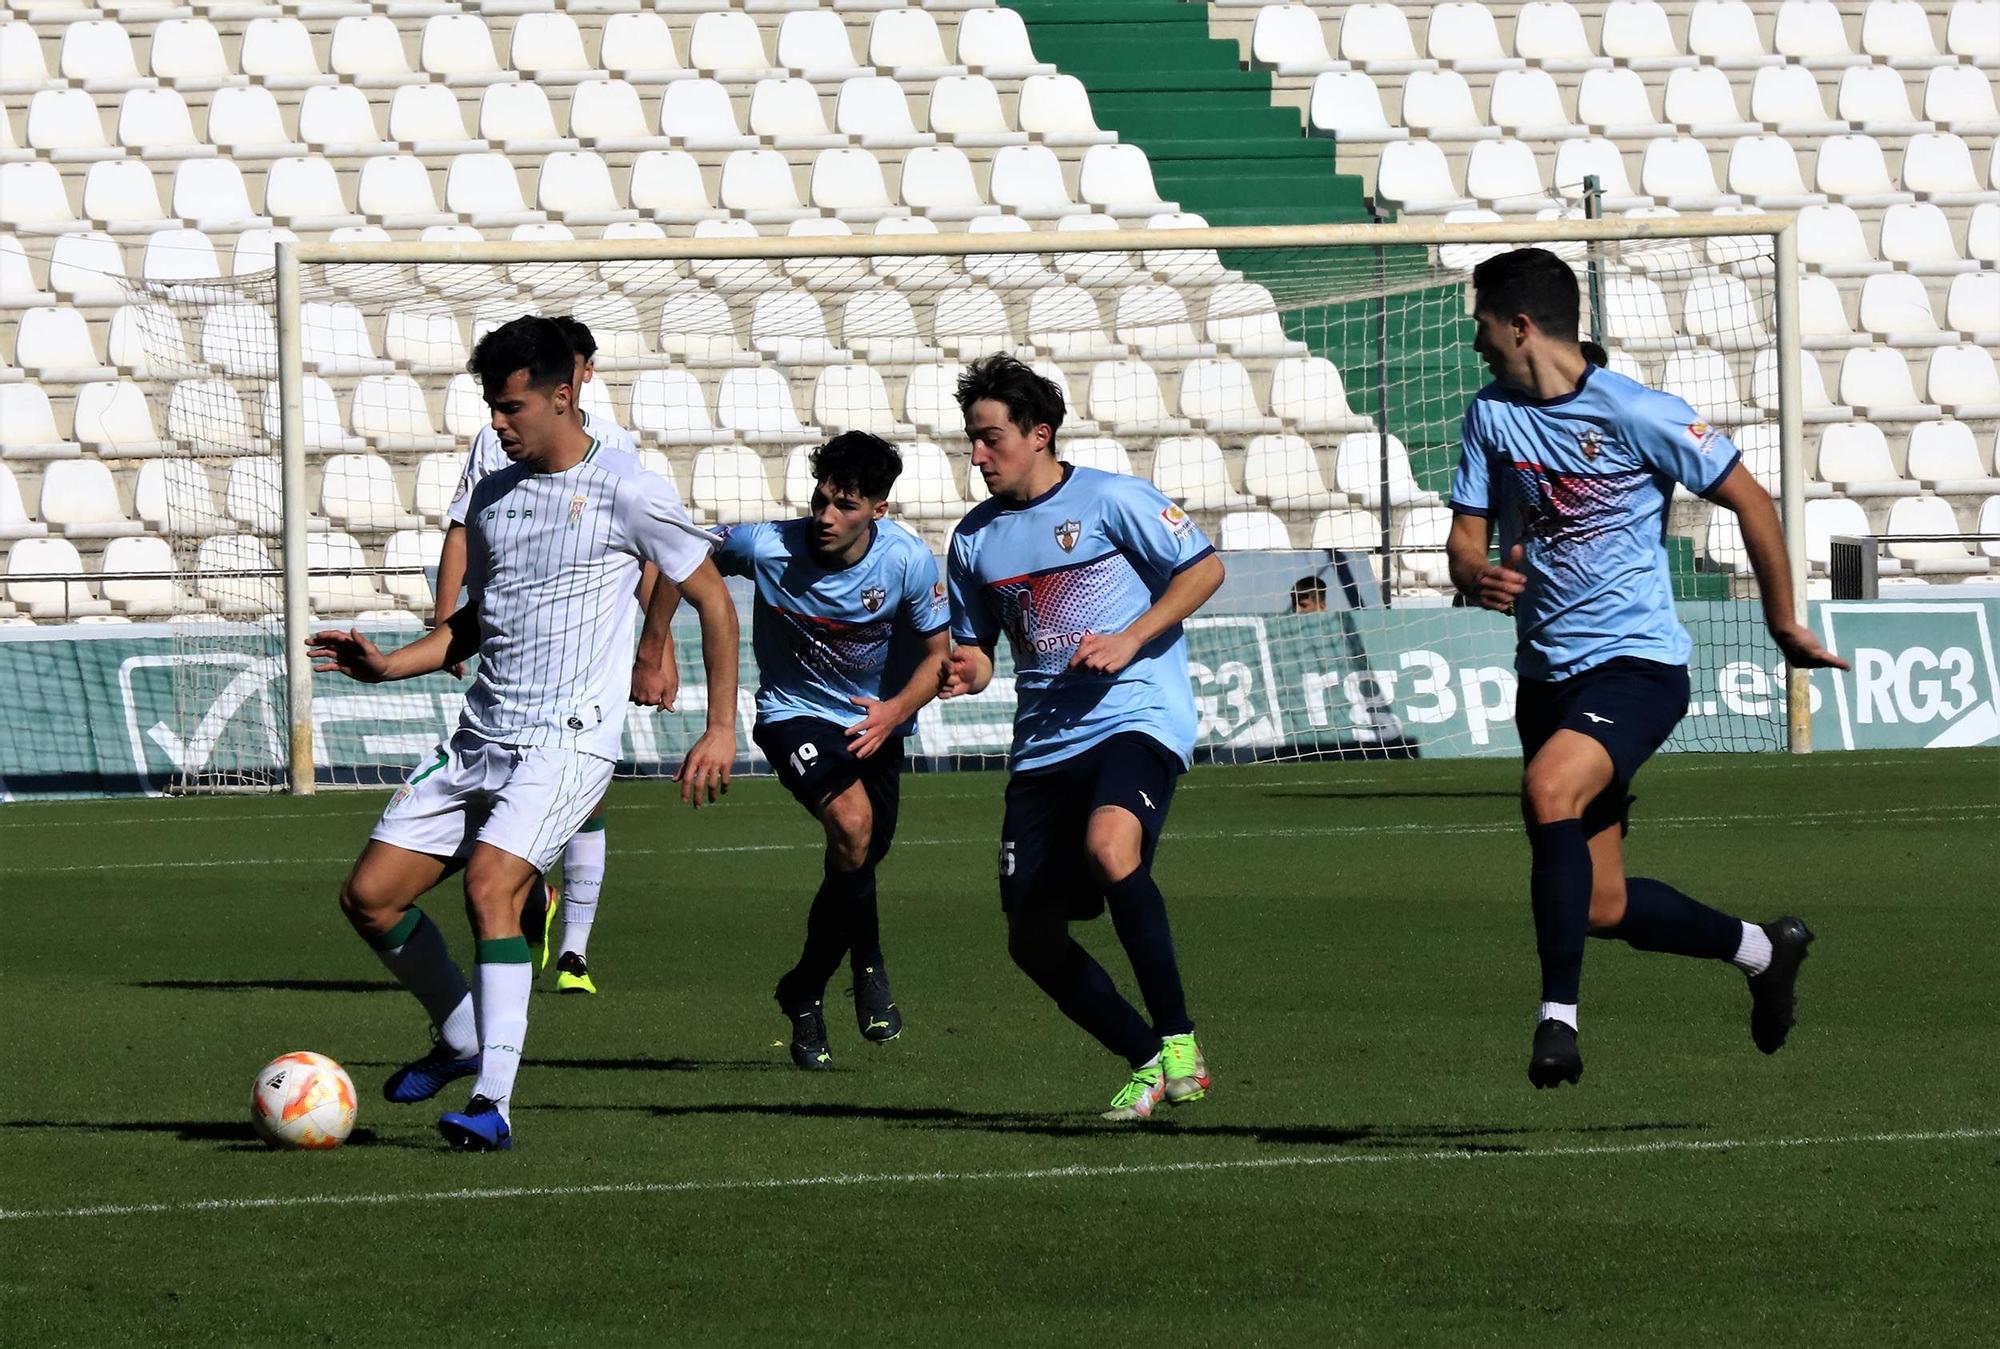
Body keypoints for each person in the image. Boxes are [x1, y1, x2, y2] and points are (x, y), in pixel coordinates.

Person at [311, 316, 740, 1150]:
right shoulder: (493, 496)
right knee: (370, 896)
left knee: (492, 888)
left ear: (564, 393)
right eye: (491, 407)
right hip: (482, 737)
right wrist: (388, 664)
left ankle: (493, 1101)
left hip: (566, 742)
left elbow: (715, 603)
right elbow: (475, 624)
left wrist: (720, 727)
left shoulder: (628, 486)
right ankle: (463, 1031)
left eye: (511, 407)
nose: (498, 424)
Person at [1443, 247, 1849, 1089]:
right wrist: (1473, 573)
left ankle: (1558, 1020)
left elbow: (1752, 498)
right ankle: (1762, 949)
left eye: (1482, 325)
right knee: (1599, 904)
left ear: (1521, 326)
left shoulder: (1637, 411)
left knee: (1550, 789)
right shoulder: (1490, 415)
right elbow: (1464, 536)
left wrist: (1781, 622)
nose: (1474, 342)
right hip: (1544, 676)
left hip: (1636, 668)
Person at [939, 354, 1224, 1122]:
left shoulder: (1112, 500)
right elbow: (982, 649)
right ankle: (1146, 1058)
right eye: (970, 439)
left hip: (1135, 716)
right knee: (1030, 938)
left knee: (1111, 846)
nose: (976, 455)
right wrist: (967, 666)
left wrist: (1132, 636)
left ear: (1040, 434)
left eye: (990, 437)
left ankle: (1180, 1040)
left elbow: (1203, 570)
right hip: (1042, 742)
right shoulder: (971, 540)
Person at [433, 316, 674, 996]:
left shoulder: (617, 451)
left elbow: (664, 556)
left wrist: (652, 647)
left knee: (582, 800)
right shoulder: (493, 444)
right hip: (512, 645)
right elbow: (463, 527)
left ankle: (573, 952)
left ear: (578, 379)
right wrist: (447, 621)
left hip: (588, 650)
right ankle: (527, 901)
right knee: (509, 826)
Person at [710, 432, 950, 1069]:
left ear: (878, 508)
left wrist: (896, 711)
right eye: (820, 500)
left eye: (844, 505)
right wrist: (655, 640)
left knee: (856, 861)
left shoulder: (907, 561)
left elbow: (936, 658)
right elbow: (679, 558)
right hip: (793, 717)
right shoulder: (766, 545)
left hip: (878, 726)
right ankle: (869, 966)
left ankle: (805, 989)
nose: (824, 516)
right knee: (853, 825)